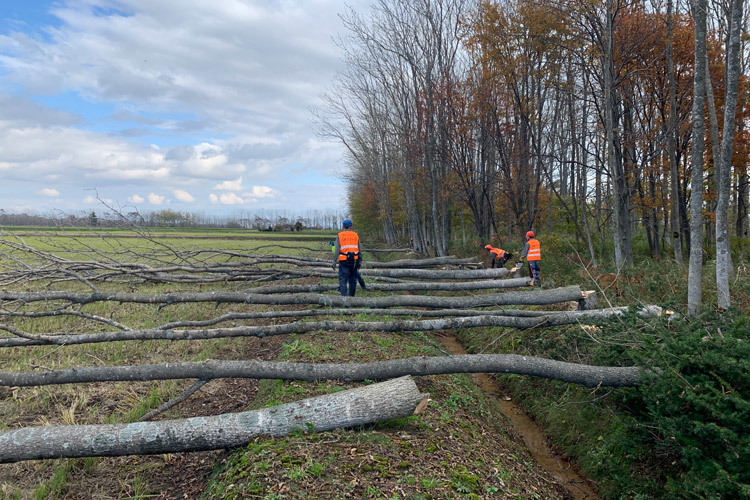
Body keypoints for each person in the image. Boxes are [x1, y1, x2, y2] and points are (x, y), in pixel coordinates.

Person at [331, 219, 364, 296]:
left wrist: (334, 262)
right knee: (353, 279)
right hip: (354, 260)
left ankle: (344, 298)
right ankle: (351, 297)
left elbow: (336, 250)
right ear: (351, 227)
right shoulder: (356, 235)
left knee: (343, 279)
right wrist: (360, 261)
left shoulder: (340, 235)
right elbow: (360, 250)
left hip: (343, 260)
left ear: (343, 226)